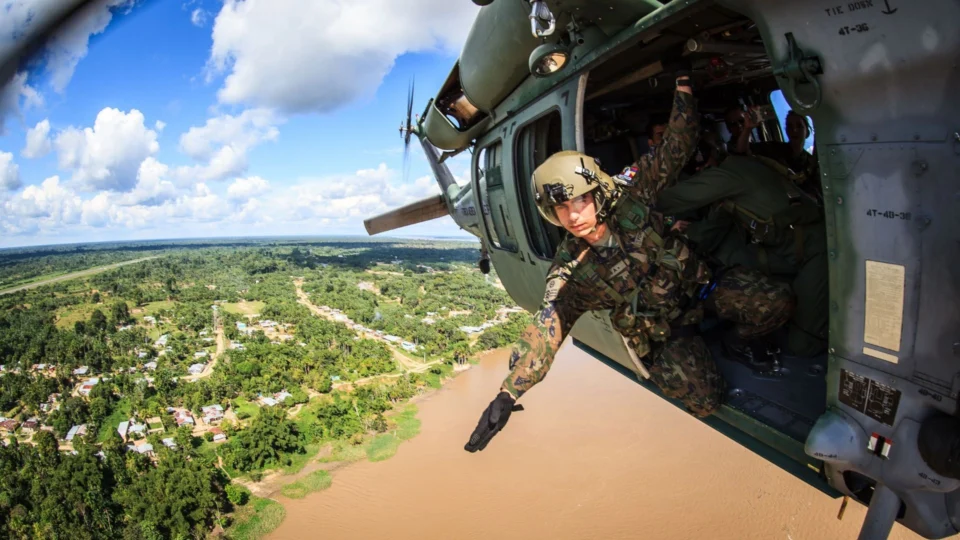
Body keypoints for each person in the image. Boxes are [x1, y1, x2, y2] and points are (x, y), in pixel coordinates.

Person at [464, 78, 795, 453]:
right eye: (561, 208)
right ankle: (686, 353)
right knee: (704, 400)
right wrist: (508, 393)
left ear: (596, 192)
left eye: (579, 202)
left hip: (702, 289)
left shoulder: (632, 195)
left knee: (778, 302)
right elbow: (547, 330)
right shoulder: (572, 270)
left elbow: (675, 147)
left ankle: (737, 342)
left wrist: (685, 84)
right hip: (667, 330)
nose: (573, 216)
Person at [657, 138, 827, 357]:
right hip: (793, 247)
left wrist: (626, 199)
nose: (701, 172)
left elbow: (668, 200)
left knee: (802, 345)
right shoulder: (744, 163)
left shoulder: (727, 176)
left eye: (702, 168)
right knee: (736, 259)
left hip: (815, 251)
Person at [727, 108, 821, 203]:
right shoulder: (773, 148)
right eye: (790, 126)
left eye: (799, 126)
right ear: (786, 130)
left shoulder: (811, 162)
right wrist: (748, 128)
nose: (794, 130)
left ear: (807, 132)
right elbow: (742, 152)